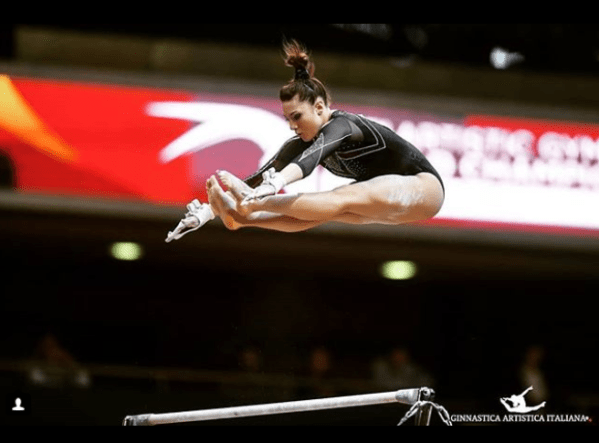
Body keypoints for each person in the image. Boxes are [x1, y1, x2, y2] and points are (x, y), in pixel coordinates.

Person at [166, 40, 444, 241]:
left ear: (320, 108)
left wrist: (271, 187)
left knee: (338, 198)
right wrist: (206, 212)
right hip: (389, 197)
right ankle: (240, 220)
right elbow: (254, 182)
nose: (292, 125)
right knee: (318, 213)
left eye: (297, 116)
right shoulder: (298, 142)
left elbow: (308, 162)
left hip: (423, 188)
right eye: (288, 118)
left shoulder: (343, 126)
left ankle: (250, 209)